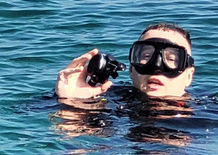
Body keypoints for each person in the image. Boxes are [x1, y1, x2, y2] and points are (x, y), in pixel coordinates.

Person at [55, 22, 195, 104]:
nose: (156, 67)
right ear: (131, 69)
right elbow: (70, 140)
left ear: (188, 76)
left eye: (171, 59)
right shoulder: (110, 101)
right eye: (146, 56)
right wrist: (70, 101)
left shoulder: (203, 116)